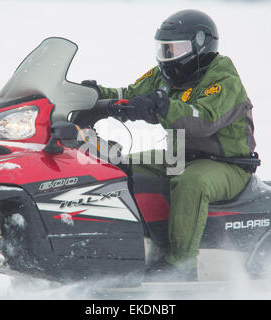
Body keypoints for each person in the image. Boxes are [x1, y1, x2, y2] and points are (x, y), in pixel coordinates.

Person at [82, 9, 257, 281]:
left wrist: (163, 106)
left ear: (201, 45)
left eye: (174, 49)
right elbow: (129, 94)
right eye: (164, 50)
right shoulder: (164, 75)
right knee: (118, 166)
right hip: (179, 154)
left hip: (227, 164)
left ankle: (181, 265)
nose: (168, 58)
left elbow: (203, 120)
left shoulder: (222, 78)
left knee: (191, 182)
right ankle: (135, 246)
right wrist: (93, 96)